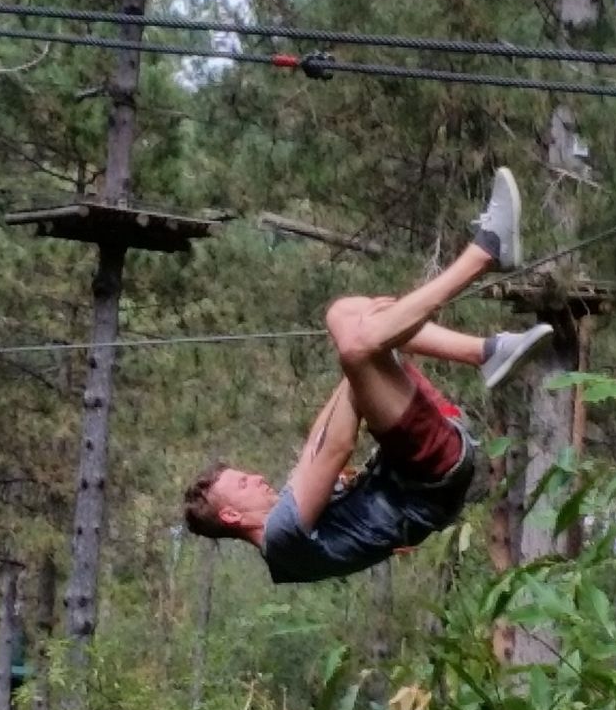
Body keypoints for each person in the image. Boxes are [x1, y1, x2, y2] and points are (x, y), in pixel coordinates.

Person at [184, 168, 552, 584]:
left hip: (421, 460)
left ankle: (487, 353)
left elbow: (315, 444)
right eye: (243, 482)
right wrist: (361, 350)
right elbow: (337, 445)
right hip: (429, 477)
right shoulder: (282, 536)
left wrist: (363, 339)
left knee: (343, 316)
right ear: (231, 514)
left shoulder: (289, 518)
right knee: (359, 346)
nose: (254, 476)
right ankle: (485, 253)